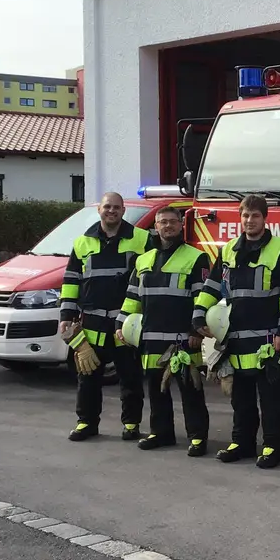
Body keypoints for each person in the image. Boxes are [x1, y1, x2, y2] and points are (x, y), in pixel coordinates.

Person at [192, 194, 280, 468]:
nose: (249, 221)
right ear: (240, 218)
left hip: (267, 338)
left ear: (265, 218)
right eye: (245, 215)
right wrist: (198, 313)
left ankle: (273, 447)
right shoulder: (227, 250)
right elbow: (212, 286)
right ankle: (242, 442)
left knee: (272, 400)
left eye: (255, 216)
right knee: (241, 398)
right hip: (236, 338)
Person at [117, 207, 212, 456]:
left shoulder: (196, 257)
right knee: (157, 392)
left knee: (191, 392)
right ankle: (161, 433)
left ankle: (198, 437)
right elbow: (132, 297)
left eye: (172, 222)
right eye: (162, 222)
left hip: (183, 339)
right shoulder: (143, 260)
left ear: (181, 225)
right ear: (155, 227)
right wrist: (121, 323)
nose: (167, 226)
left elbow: (202, 298)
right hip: (150, 337)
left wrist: (196, 331)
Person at [60, 192, 151, 441]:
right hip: (92, 323)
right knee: (87, 377)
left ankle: (131, 424)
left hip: (127, 323)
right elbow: (71, 281)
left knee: (130, 377)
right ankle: (86, 423)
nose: (112, 211)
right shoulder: (82, 243)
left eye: (117, 207)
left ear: (123, 211)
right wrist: (66, 314)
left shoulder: (142, 238)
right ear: (99, 209)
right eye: (107, 207)